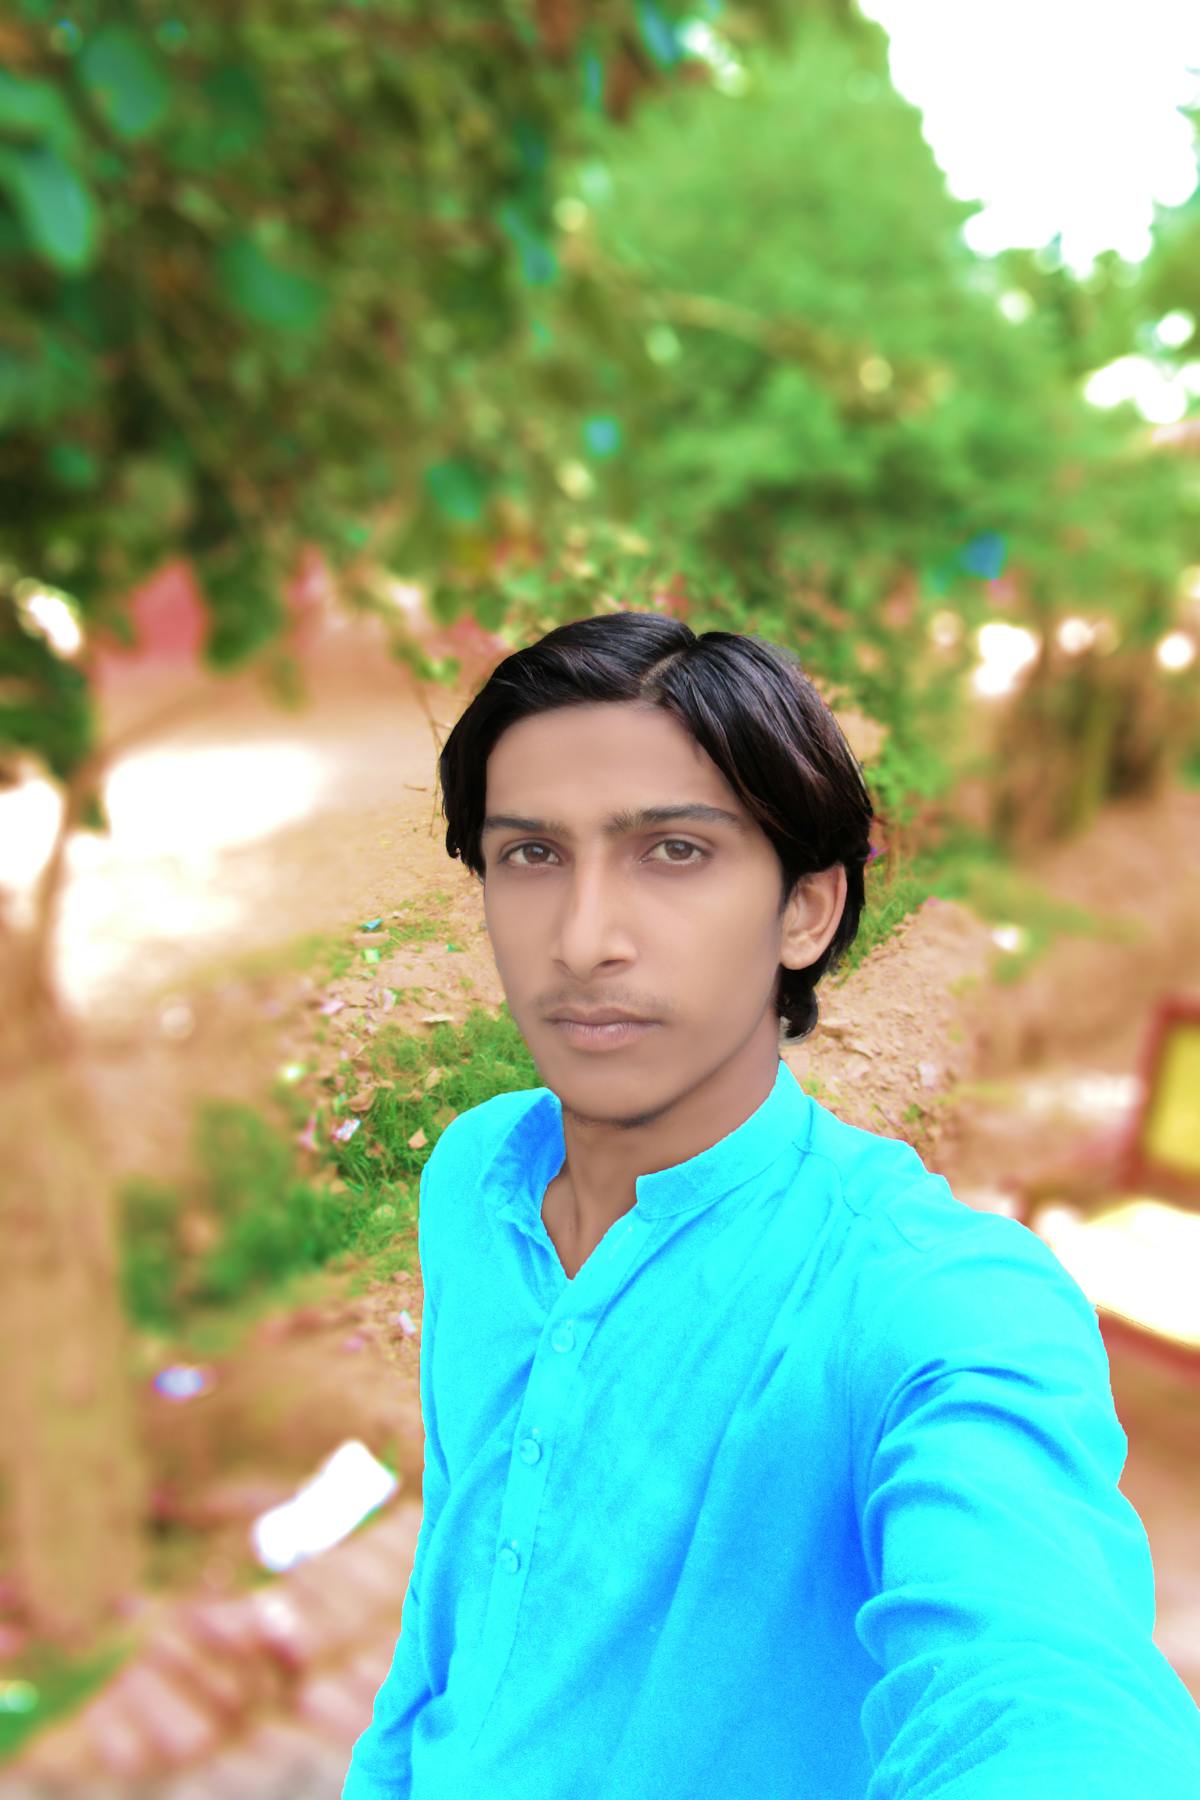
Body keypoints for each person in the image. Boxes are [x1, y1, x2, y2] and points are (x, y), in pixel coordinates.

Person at [343, 610, 1200, 1798]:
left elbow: (1046, 1698)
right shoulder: (474, 1175)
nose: (584, 940)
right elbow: (457, 1589)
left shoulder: (927, 1302)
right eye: (531, 854)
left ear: (807, 908)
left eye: (675, 852)